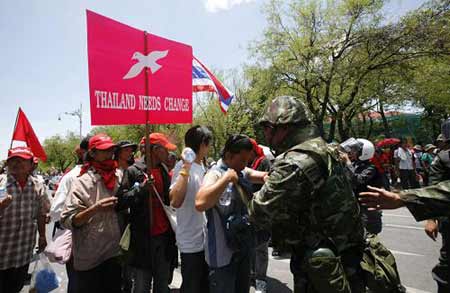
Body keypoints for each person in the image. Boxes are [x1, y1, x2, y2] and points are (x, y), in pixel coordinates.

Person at [248, 96, 367, 293]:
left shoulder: (294, 162)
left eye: (267, 127)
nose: (265, 133)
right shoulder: (331, 149)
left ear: (284, 127)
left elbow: (259, 211)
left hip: (321, 266)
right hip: (350, 255)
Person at [196, 134, 267, 293]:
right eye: (242, 160)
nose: (245, 164)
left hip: (242, 250)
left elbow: (262, 176)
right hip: (222, 257)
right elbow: (200, 203)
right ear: (228, 156)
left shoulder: (240, 170)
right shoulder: (214, 174)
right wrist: (225, 179)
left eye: (247, 160)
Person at [116, 132, 177, 293]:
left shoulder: (164, 171)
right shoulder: (133, 171)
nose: (168, 153)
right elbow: (120, 201)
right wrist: (141, 190)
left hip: (163, 239)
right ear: (156, 150)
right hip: (143, 240)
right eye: (165, 149)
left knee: (162, 285)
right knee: (142, 285)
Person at [61, 133, 122, 293]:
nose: (109, 153)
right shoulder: (80, 182)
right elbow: (68, 219)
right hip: (90, 257)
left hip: (114, 253)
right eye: (104, 150)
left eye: (111, 149)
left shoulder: (119, 176)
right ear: (93, 153)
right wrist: (95, 209)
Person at [0, 147, 50, 293]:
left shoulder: (38, 186)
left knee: (16, 287)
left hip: (23, 250)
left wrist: (42, 236)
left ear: (31, 164)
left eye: (22, 160)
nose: (17, 163)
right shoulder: (1, 185)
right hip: (2, 251)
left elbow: (41, 213)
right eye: (13, 160)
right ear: (7, 164)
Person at [169, 125, 212, 293]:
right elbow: (175, 201)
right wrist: (186, 167)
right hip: (190, 243)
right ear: (202, 144)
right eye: (208, 144)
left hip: (206, 240)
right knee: (191, 287)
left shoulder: (203, 167)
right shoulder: (182, 167)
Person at [50, 135, 91, 293]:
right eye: (97, 150)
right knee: (77, 283)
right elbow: (56, 212)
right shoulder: (71, 177)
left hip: (101, 247)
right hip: (76, 242)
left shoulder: (108, 176)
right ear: (84, 153)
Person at [341, 138, 383, 235]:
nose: (352, 152)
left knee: (369, 234)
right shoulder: (355, 164)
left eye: (355, 150)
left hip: (368, 207)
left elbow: (357, 180)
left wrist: (347, 162)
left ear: (363, 153)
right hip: (355, 206)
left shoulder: (370, 168)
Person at [248, 138, 271, 293]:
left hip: (261, 212)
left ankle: (260, 279)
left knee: (261, 248)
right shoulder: (245, 163)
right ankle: (251, 275)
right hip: (247, 211)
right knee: (249, 246)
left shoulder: (263, 163)